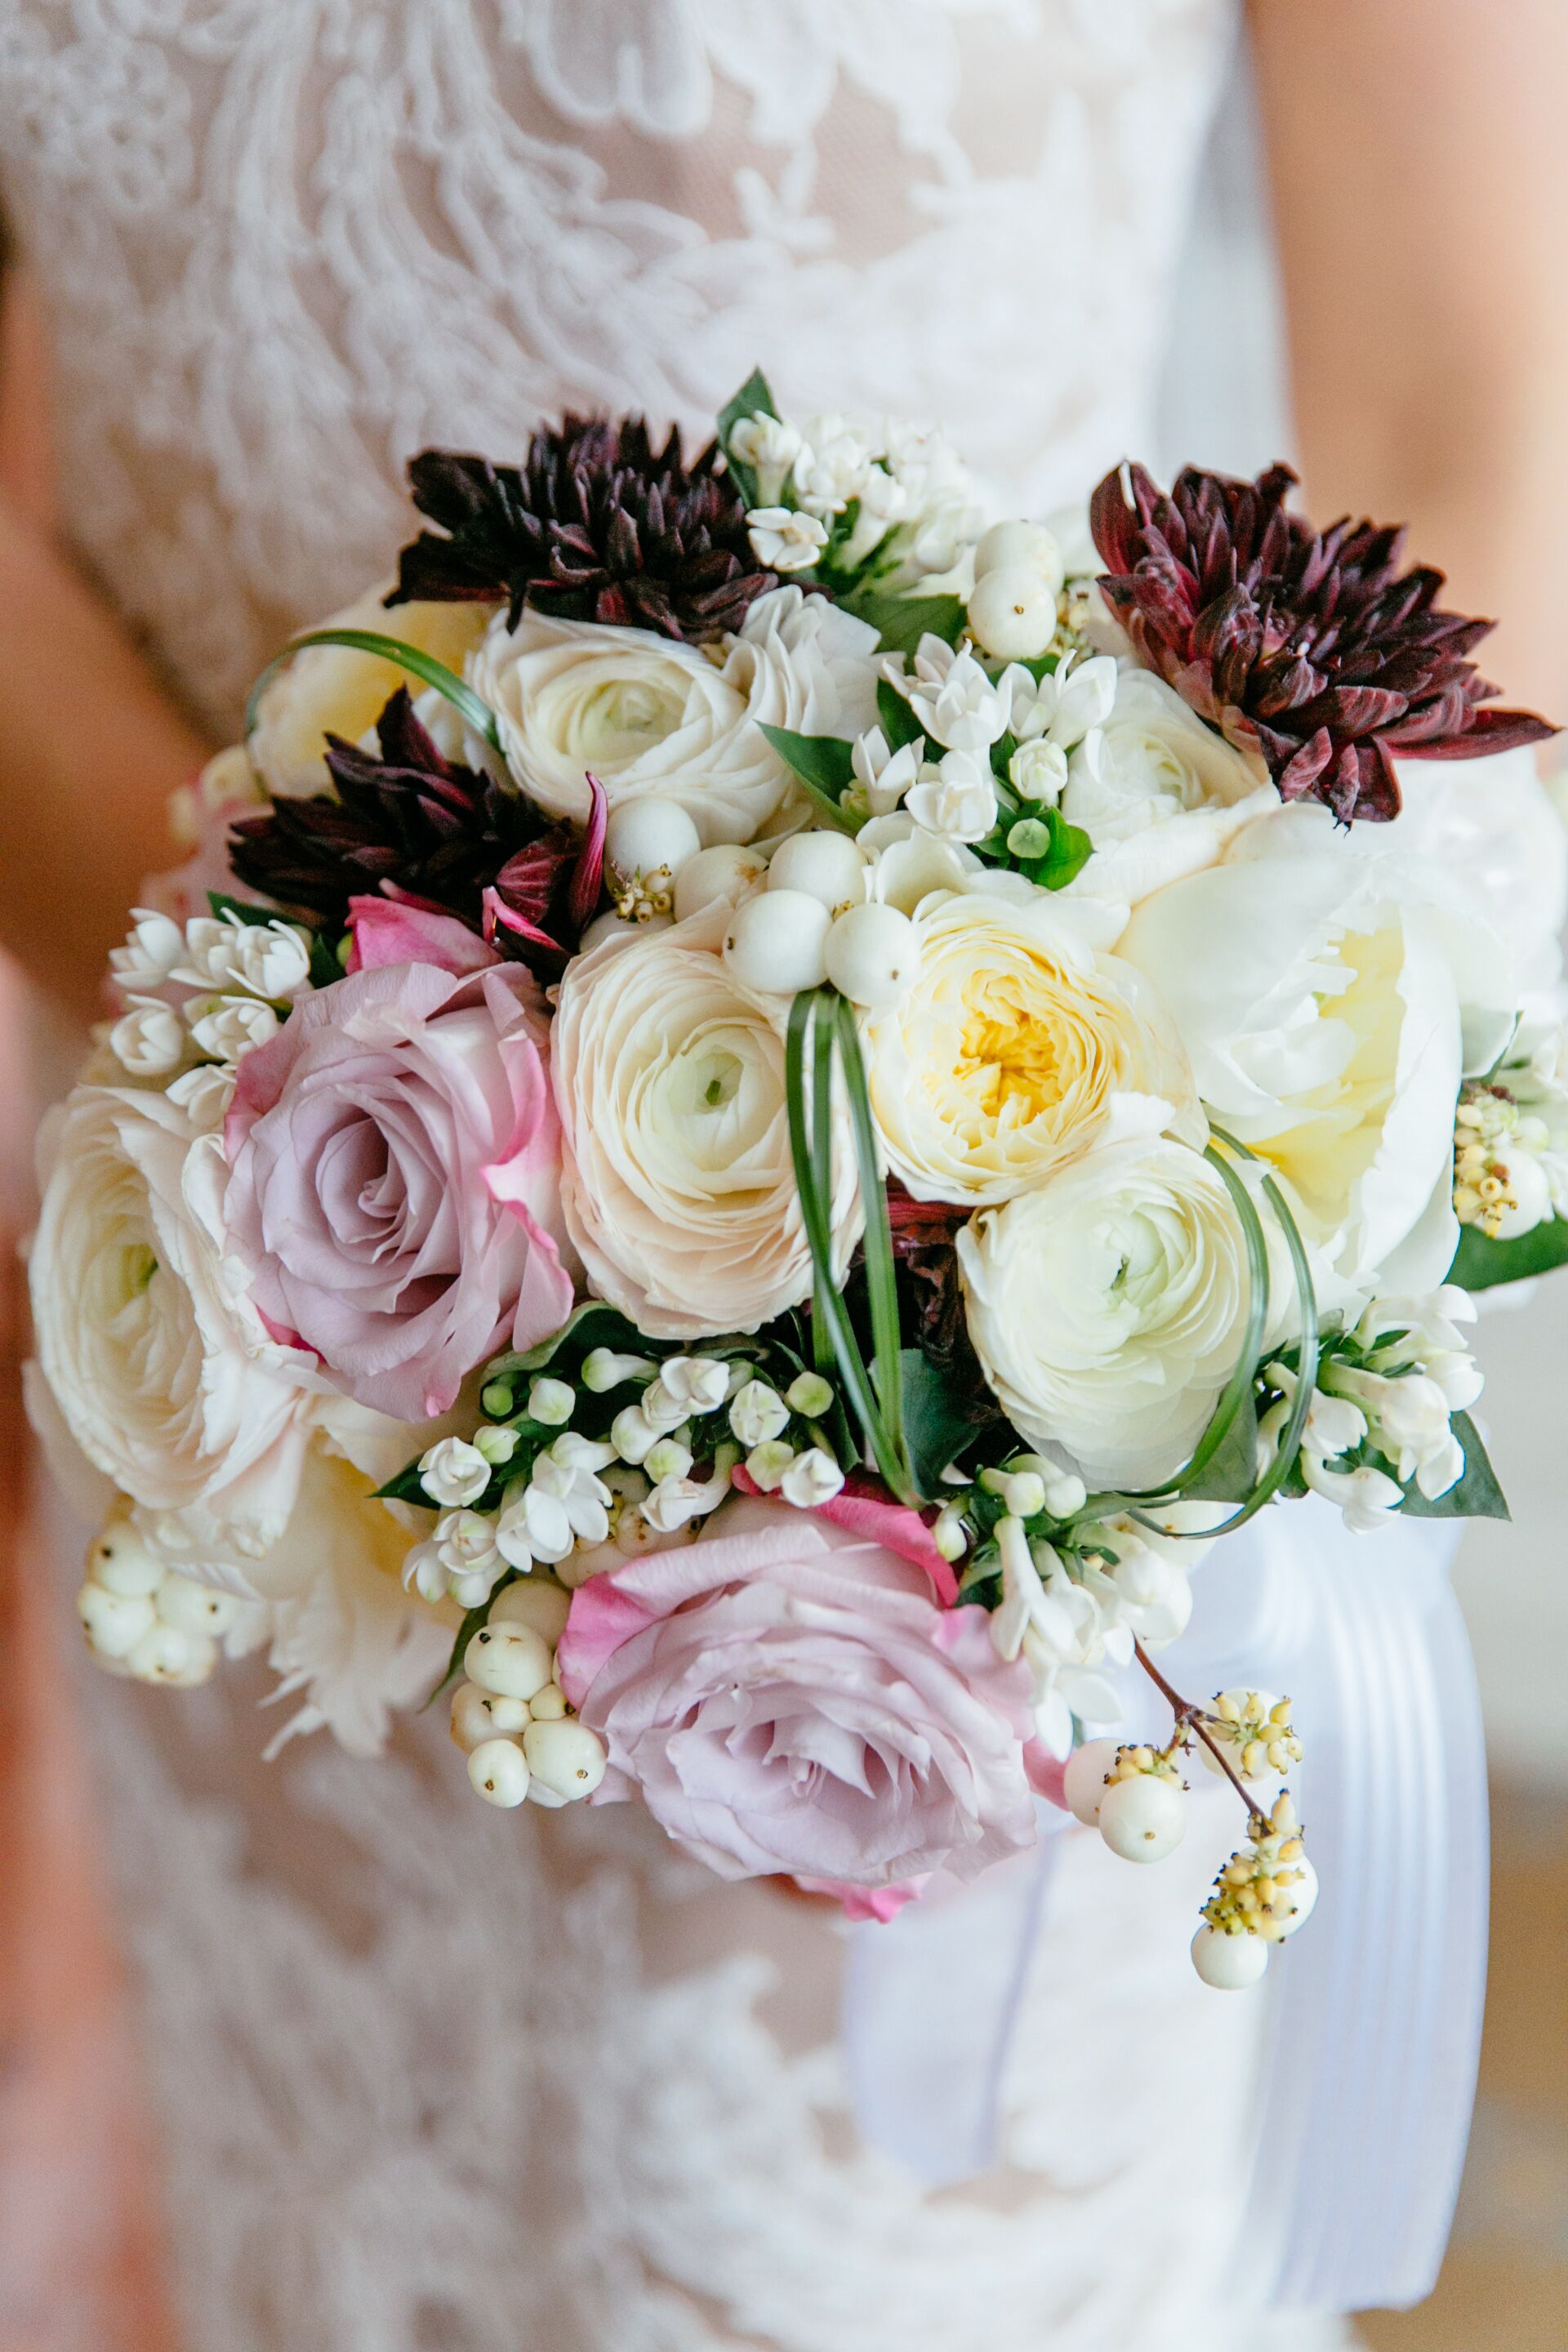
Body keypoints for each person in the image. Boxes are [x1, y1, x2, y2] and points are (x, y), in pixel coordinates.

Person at [0, 5, 1564, 2346]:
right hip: (244, 1276)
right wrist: (337, 1097)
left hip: (926, 1386)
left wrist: (1137, 1236)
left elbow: (1469, 403)